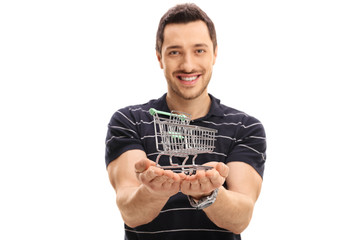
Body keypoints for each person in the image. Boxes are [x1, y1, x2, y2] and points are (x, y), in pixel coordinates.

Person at [105, 3, 266, 240]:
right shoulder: (129, 121)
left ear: (215, 53)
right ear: (160, 57)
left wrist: (209, 194)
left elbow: (241, 218)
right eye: (174, 52)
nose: (188, 65)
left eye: (199, 50)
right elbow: (130, 211)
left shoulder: (245, 127)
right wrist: (154, 192)